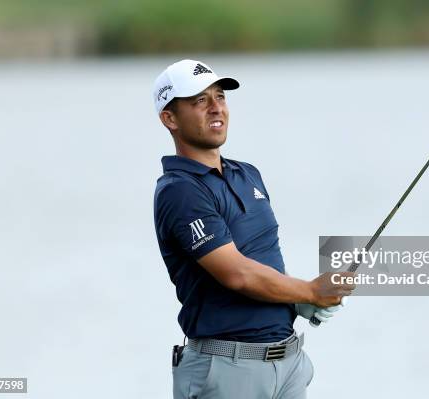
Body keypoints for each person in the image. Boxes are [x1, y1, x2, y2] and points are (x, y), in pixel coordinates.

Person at [152, 59, 355, 399]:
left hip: (289, 363)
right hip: (226, 370)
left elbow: (263, 259)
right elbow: (238, 275)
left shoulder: (247, 174)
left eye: (220, 96)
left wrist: (299, 302)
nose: (216, 108)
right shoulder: (179, 190)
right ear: (169, 118)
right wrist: (308, 291)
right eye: (200, 100)